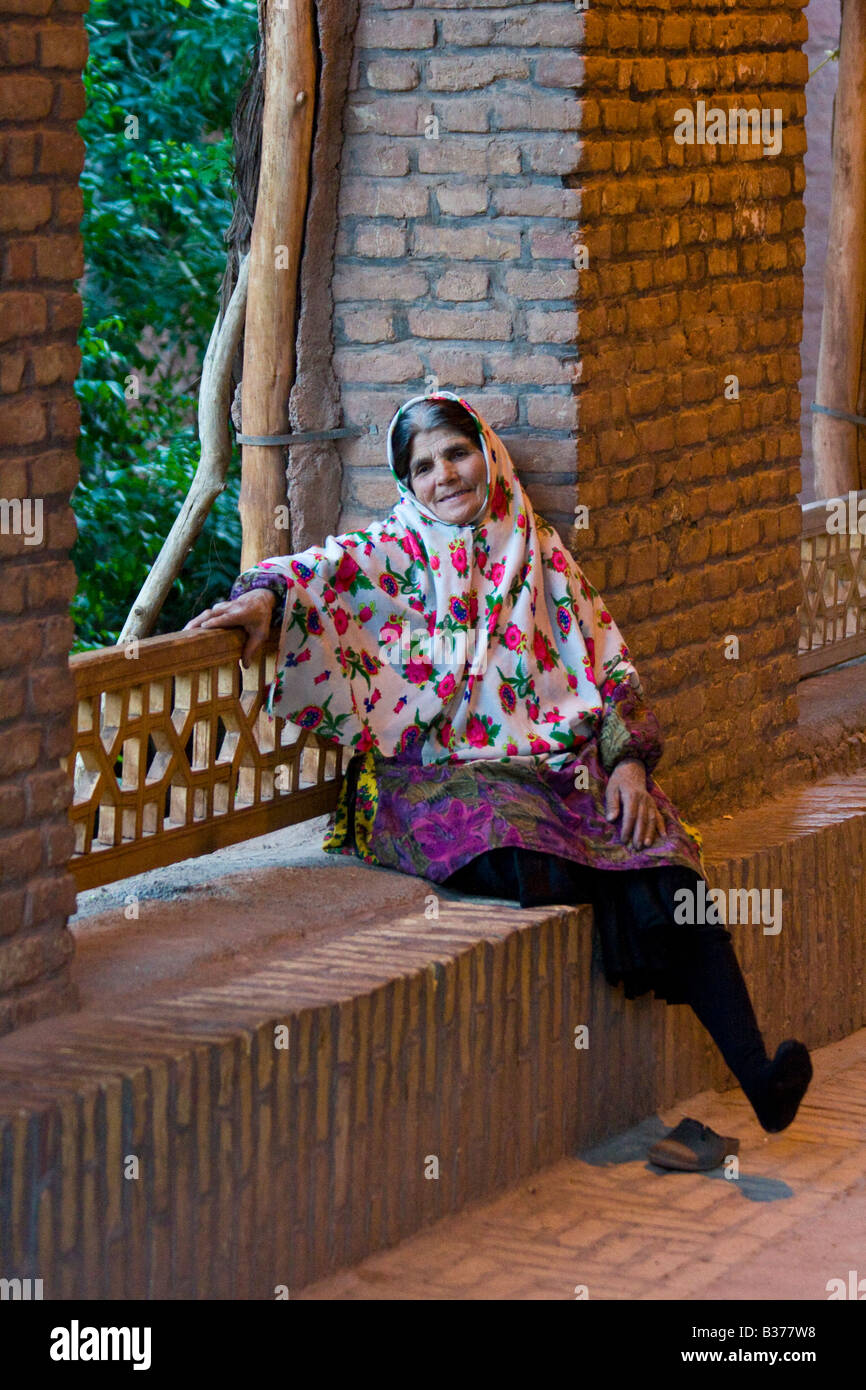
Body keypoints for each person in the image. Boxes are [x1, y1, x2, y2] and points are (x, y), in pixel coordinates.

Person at [185, 390, 812, 1166]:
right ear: (407, 484)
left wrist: (624, 763)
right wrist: (258, 600)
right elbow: (313, 569)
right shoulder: (396, 548)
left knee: (660, 859)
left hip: (552, 766)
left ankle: (762, 1081)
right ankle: (634, 924)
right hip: (437, 778)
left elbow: (607, 658)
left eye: (456, 452)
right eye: (423, 467)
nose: (444, 475)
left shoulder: (539, 547)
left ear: (486, 452)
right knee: (540, 857)